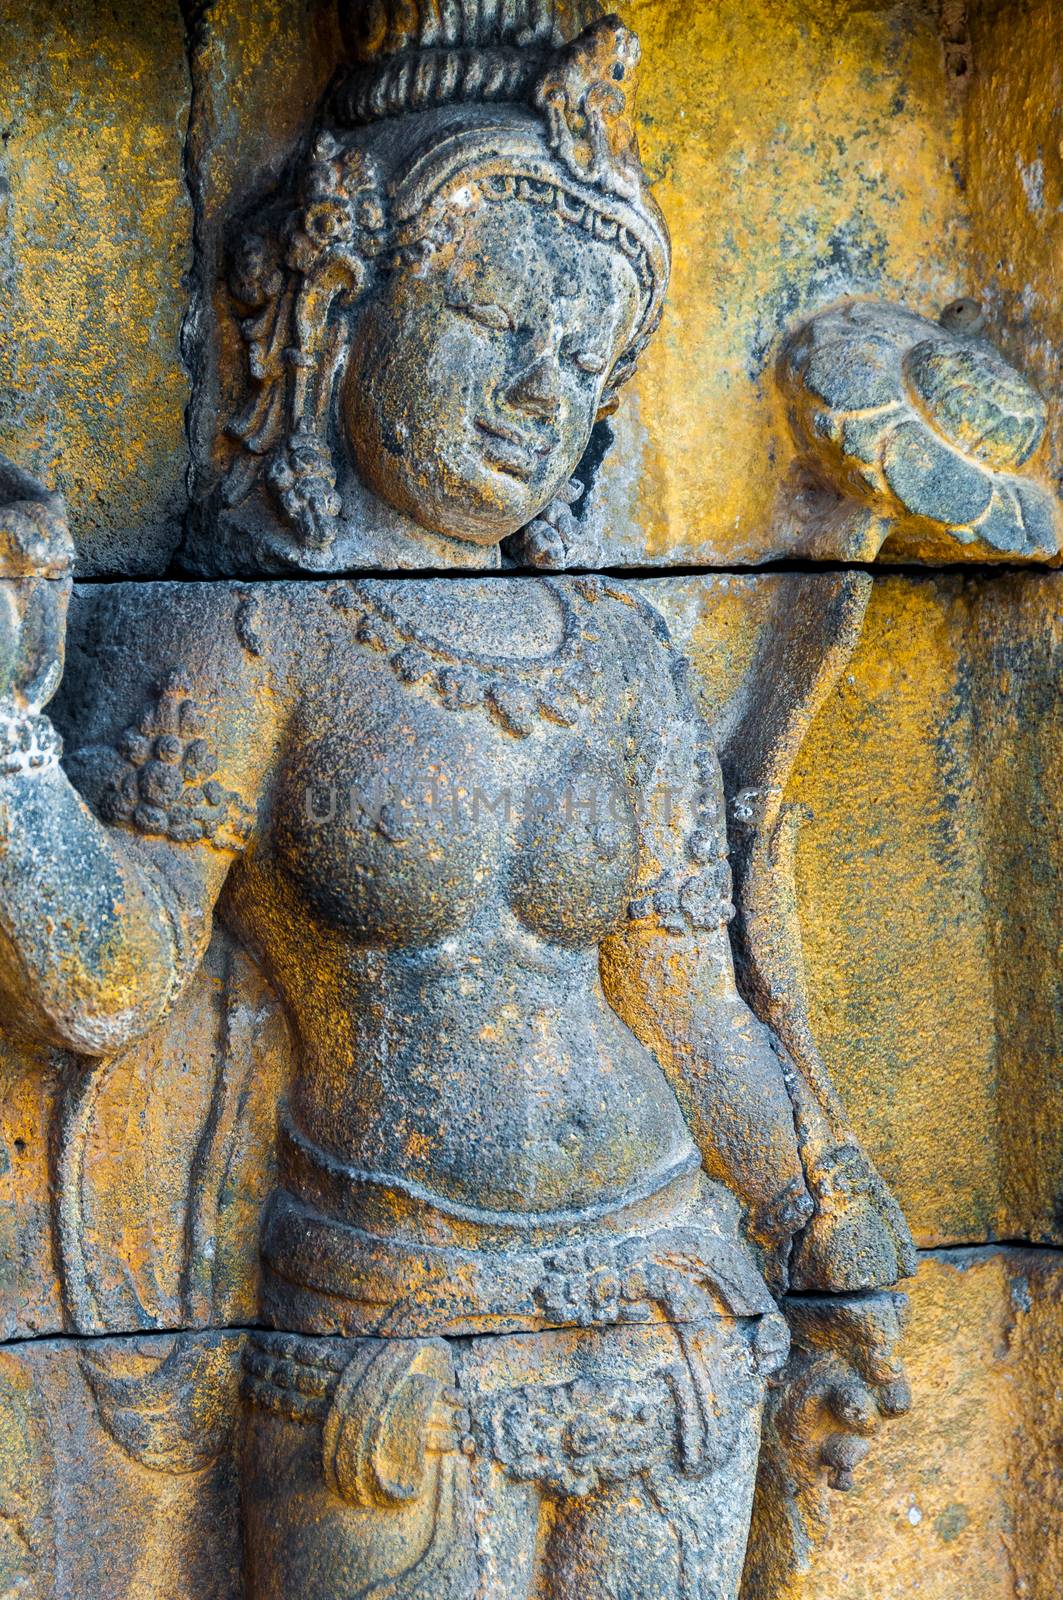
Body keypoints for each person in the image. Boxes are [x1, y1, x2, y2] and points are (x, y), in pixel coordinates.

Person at [0, 9, 911, 1596]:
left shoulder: (621, 658)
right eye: (492, 313)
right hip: (390, 1326)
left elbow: (689, 1008)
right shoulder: (248, 636)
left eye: (585, 352)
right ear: (344, 309)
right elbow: (112, 974)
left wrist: (825, 1224)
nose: (535, 388)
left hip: (671, 1308)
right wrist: (10, 744)